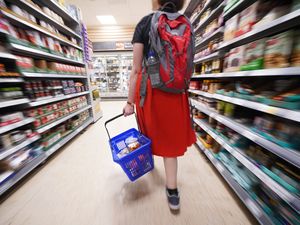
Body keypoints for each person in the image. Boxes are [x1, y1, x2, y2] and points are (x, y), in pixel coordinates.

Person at [123, 0, 196, 211]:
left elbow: (136, 69)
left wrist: (129, 102)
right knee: (170, 140)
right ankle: (172, 191)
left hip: (151, 91)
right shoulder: (186, 23)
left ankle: (149, 164)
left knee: (149, 132)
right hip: (176, 92)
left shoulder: (145, 23)